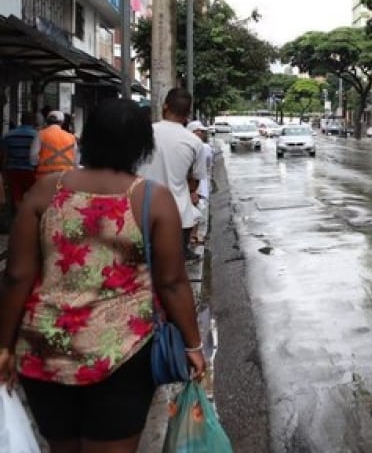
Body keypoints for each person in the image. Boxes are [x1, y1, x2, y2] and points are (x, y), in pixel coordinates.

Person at [0, 97, 206, 453]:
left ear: (87, 138)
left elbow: (17, 276)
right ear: (142, 146)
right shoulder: (151, 199)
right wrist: (193, 345)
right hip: (122, 354)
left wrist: (3, 345)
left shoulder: (46, 191)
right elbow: (172, 282)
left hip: (44, 349)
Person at [138, 89, 207, 263]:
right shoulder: (194, 142)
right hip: (178, 215)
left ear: (164, 106)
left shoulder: (143, 132)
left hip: (141, 210)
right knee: (173, 270)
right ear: (188, 113)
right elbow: (196, 179)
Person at [1, 113, 39, 213]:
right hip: (30, 170)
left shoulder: (9, 135)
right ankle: (28, 215)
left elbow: (5, 155)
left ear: (21, 121)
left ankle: (17, 216)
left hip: (13, 169)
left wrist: (4, 172)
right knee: (31, 194)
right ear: (33, 122)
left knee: (16, 194)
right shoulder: (37, 135)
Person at [186, 120, 214, 244]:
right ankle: (194, 236)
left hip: (194, 184)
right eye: (199, 131)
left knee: (194, 210)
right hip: (193, 185)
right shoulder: (202, 147)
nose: (201, 134)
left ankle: (193, 236)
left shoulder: (203, 147)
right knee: (196, 211)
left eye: (202, 132)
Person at [30, 110, 78, 178]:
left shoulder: (40, 134)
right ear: (62, 122)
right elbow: (75, 159)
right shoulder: (71, 137)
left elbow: (33, 157)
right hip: (65, 176)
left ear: (47, 121)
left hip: (44, 176)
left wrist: (36, 164)